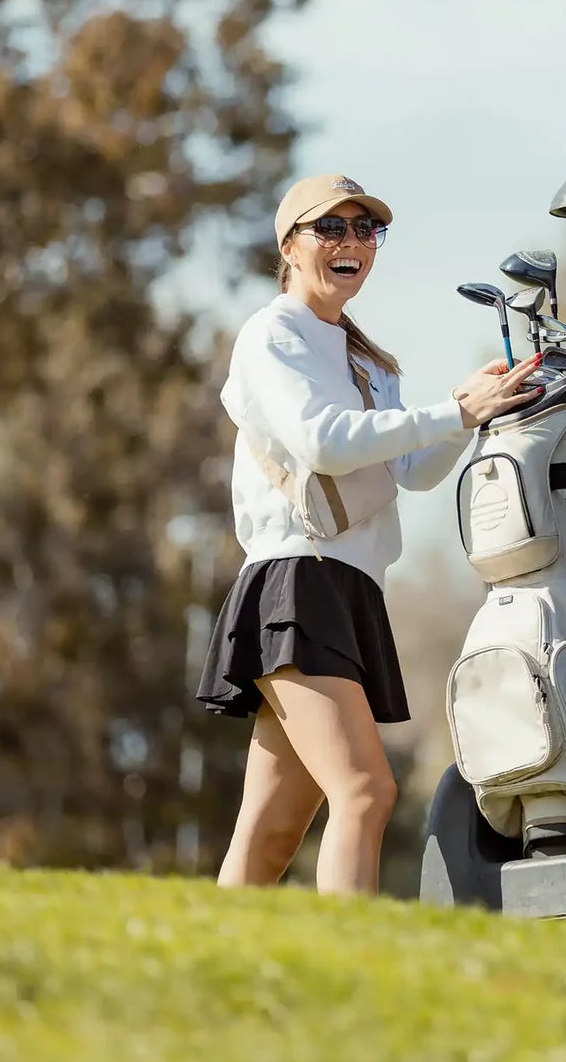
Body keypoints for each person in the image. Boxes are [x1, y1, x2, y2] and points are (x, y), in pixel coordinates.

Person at [195, 173, 542, 894]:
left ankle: (206, 955)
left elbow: (412, 470)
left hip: (348, 589)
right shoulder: (272, 334)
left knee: (272, 831)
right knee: (365, 791)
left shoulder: (369, 361)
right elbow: (322, 442)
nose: (350, 241)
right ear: (289, 246)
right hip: (298, 582)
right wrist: (452, 410)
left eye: (365, 229)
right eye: (331, 227)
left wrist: (474, 414)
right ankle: (349, 954)